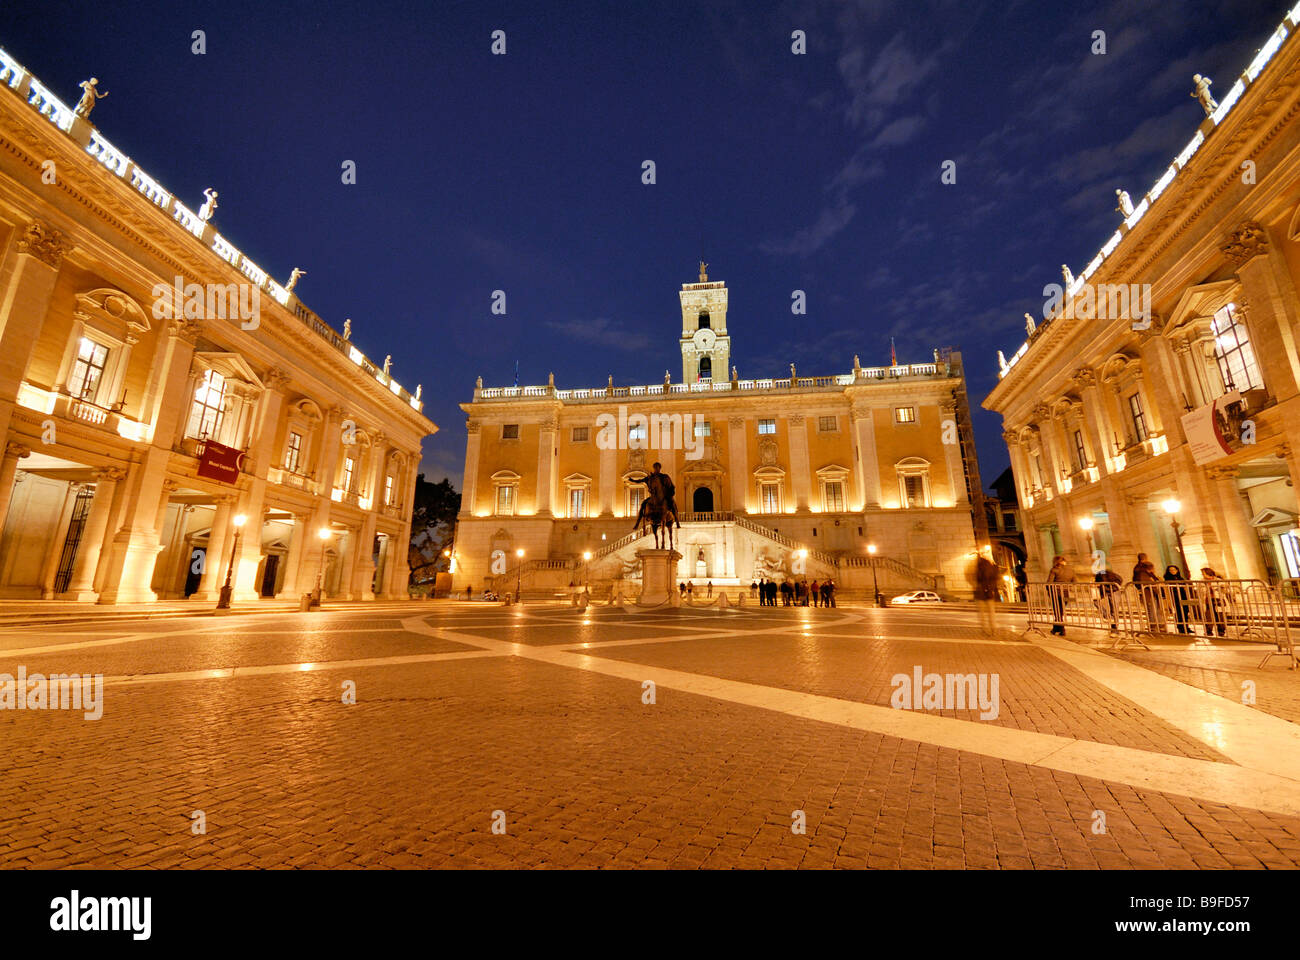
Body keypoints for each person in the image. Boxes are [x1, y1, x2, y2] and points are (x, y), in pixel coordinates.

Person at [1132, 553, 1163, 631]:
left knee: (1155, 609)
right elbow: (1145, 582)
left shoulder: (1140, 569)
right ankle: (1153, 626)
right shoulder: (1141, 571)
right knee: (1152, 610)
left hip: (1151, 593)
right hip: (1148, 593)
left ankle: (1158, 625)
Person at [1046, 555, 1074, 636]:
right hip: (1066, 593)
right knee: (1060, 611)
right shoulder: (1071, 570)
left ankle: (1062, 629)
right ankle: (1055, 629)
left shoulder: (1054, 570)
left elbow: (1049, 582)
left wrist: (1048, 591)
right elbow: (1075, 581)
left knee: (1057, 611)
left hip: (1056, 593)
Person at [972, 555, 1000, 636]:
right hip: (989, 594)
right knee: (991, 613)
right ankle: (993, 630)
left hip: (980, 594)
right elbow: (995, 581)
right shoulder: (992, 570)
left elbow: (977, 580)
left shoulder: (979, 569)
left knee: (982, 614)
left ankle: (984, 630)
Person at [1094, 565, 1123, 630]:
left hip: (1113, 591)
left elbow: (1097, 583)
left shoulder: (1100, 575)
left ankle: (1114, 627)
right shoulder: (1112, 575)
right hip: (1110, 590)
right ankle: (1111, 621)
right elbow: (1120, 579)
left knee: (1114, 610)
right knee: (1114, 610)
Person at [1164, 565, 1191, 634]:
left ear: (1177, 570)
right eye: (1170, 570)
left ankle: (1186, 626)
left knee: (1185, 611)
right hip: (1175, 597)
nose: (1172, 571)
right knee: (1179, 612)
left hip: (1183, 596)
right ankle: (1181, 627)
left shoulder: (1180, 578)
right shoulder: (1168, 579)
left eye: (1174, 570)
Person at [1200, 567, 1227, 637]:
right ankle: (1208, 631)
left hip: (1218, 599)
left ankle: (1221, 631)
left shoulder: (1218, 580)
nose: (1202, 575)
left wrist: (1219, 588)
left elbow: (1224, 589)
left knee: (1219, 615)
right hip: (1207, 600)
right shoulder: (1201, 581)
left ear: (1208, 573)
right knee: (1208, 616)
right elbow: (1201, 590)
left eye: (1203, 573)